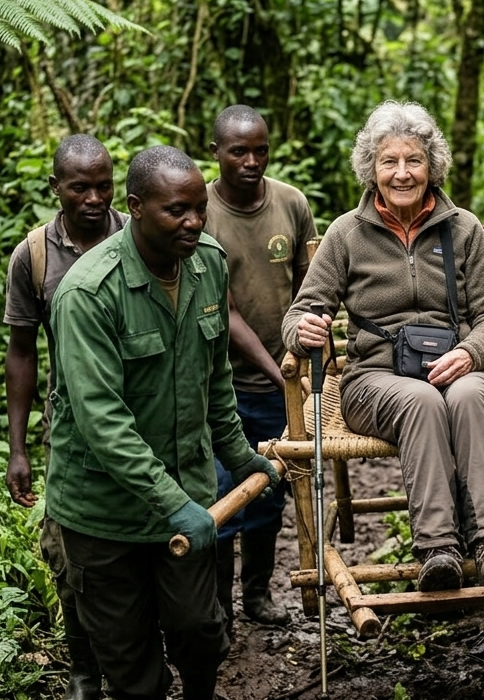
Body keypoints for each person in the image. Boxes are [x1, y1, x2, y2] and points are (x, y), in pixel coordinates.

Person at [46, 145, 281, 700]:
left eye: (200, 208)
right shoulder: (88, 293)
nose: (195, 221)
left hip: (187, 496)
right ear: (136, 207)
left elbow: (214, 378)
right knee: (132, 666)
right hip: (103, 516)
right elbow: (102, 421)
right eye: (178, 210)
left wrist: (237, 454)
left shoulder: (208, 263)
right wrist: (173, 503)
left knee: (201, 632)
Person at [284, 101, 484, 593]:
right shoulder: (346, 234)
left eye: (413, 160)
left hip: (461, 367)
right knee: (419, 401)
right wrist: (304, 329)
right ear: (371, 170)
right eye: (389, 162)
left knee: (469, 394)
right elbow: (299, 313)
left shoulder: (462, 229)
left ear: (431, 166)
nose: (401, 173)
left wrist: (471, 354)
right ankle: (438, 548)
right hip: (374, 379)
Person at [4, 134, 126, 700]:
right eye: (81, 188)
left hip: (140, 421)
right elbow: (22, 351)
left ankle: (138, 659)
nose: (95, 198)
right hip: (72, 431)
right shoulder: (34, 256)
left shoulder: (137, 236)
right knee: (69, 553)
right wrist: (19, 447)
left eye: (104, 186)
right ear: (56, 188)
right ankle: (84, 669)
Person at [206, 105, 317, 631]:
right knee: (223, 496)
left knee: (269, 495)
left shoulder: (291, 203)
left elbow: (309, 291)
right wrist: (283, 374)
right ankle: (219, 608)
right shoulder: (198, 211)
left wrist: (300, 364)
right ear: (217, 153)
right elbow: (223, 313)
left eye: (260, 151)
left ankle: (257, 594)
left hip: (281, 383)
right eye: (238, 151)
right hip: (220, 386)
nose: (251, 161)